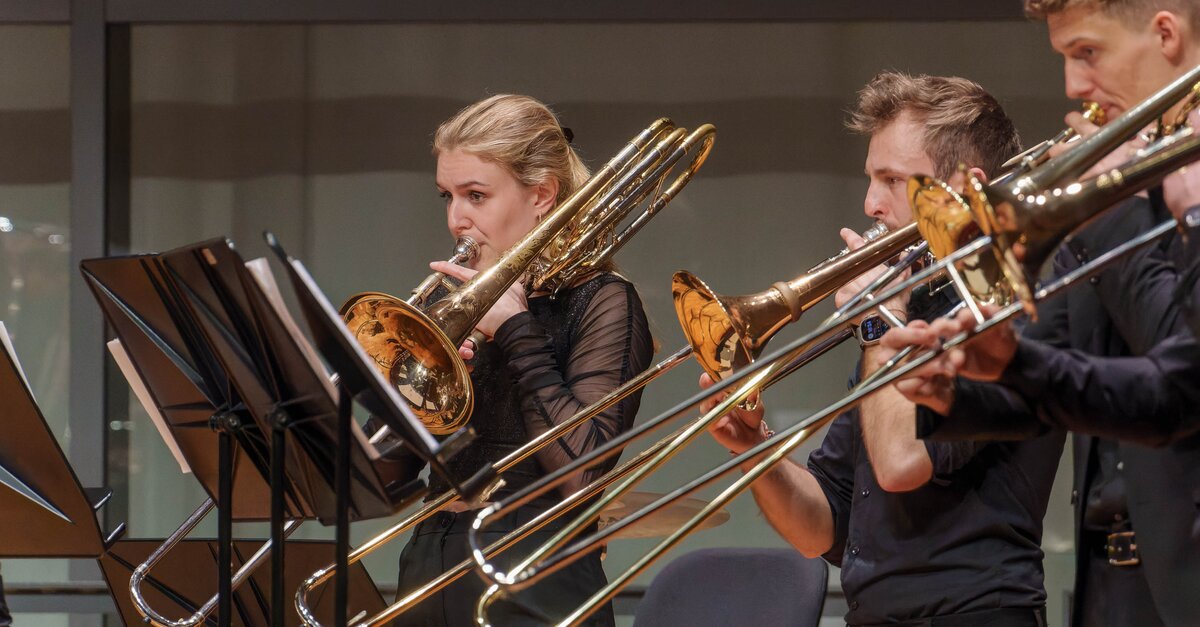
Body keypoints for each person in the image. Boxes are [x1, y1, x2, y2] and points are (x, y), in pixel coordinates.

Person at [878, 2, 1200, 625]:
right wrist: (962, 385)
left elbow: (1182, 380)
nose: (1073, 85)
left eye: (1087, 53)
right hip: (1110, 580)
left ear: (1165, 34)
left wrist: (1111, 216)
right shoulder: (1123, 181)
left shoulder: (1144, 197)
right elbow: (1056, 371)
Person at [702, 71, 1062, 626]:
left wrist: (876, 322)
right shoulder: (908, 309)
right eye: (871, 179)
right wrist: (754, 449)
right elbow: (821, 527)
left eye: (892, 180)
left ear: (965, 189)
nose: (870, 203)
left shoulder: (1007, 312)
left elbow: (902, 465)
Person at [386, 94, 654, 627]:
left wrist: (515, 331)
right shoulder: (451, 307)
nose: (457, 219)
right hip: (430, 566)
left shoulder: (602, 299)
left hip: (538, 580)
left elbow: (583, 473)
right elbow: (388, 481)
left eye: (476, 196)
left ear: (542, 195)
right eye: (447, 196)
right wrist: (411, 394)